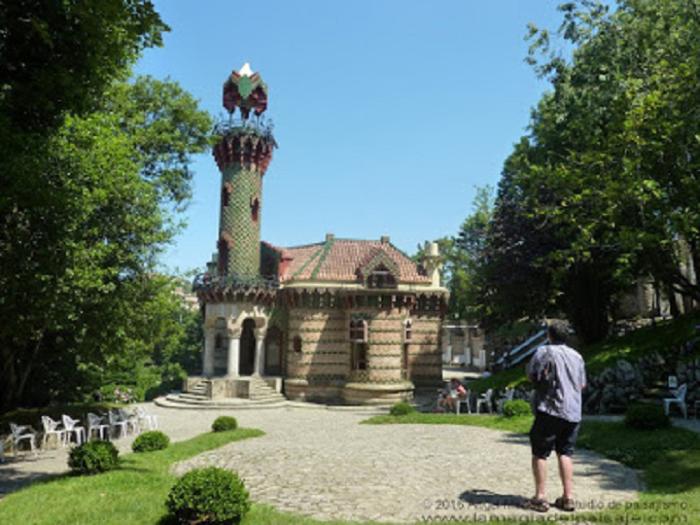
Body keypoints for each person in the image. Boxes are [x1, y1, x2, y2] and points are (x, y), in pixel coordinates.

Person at [523, 320, 586, 513]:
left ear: (549, 336)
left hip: (549, 408)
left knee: (540, 453)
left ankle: (540, 497)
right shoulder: (577, 356)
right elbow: (582, 385)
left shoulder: (544, 352)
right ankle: (568, 497)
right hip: (573, 412)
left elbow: (531, 374)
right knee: (565, 453)